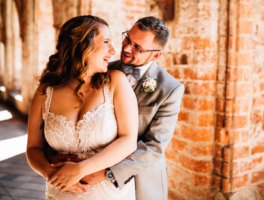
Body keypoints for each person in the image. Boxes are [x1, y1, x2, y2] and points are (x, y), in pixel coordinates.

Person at [49, 16, 185, 200]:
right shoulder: (100, 69)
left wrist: (106, 172)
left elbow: (154, 146)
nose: (127, 48)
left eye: (138, 48)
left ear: (156, 55)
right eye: (128, 39)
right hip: (90, 176)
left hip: (141, 179)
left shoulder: (169, 88)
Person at [26, 15, 139, 199]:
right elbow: (33, 149)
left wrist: (79, 169)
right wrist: (51, 174)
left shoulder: (116, 82)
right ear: (82, 45)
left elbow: (128, 140)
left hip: (109, 193)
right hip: (61, 192)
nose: (112, 50)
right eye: (106, 42)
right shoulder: (44, 92)